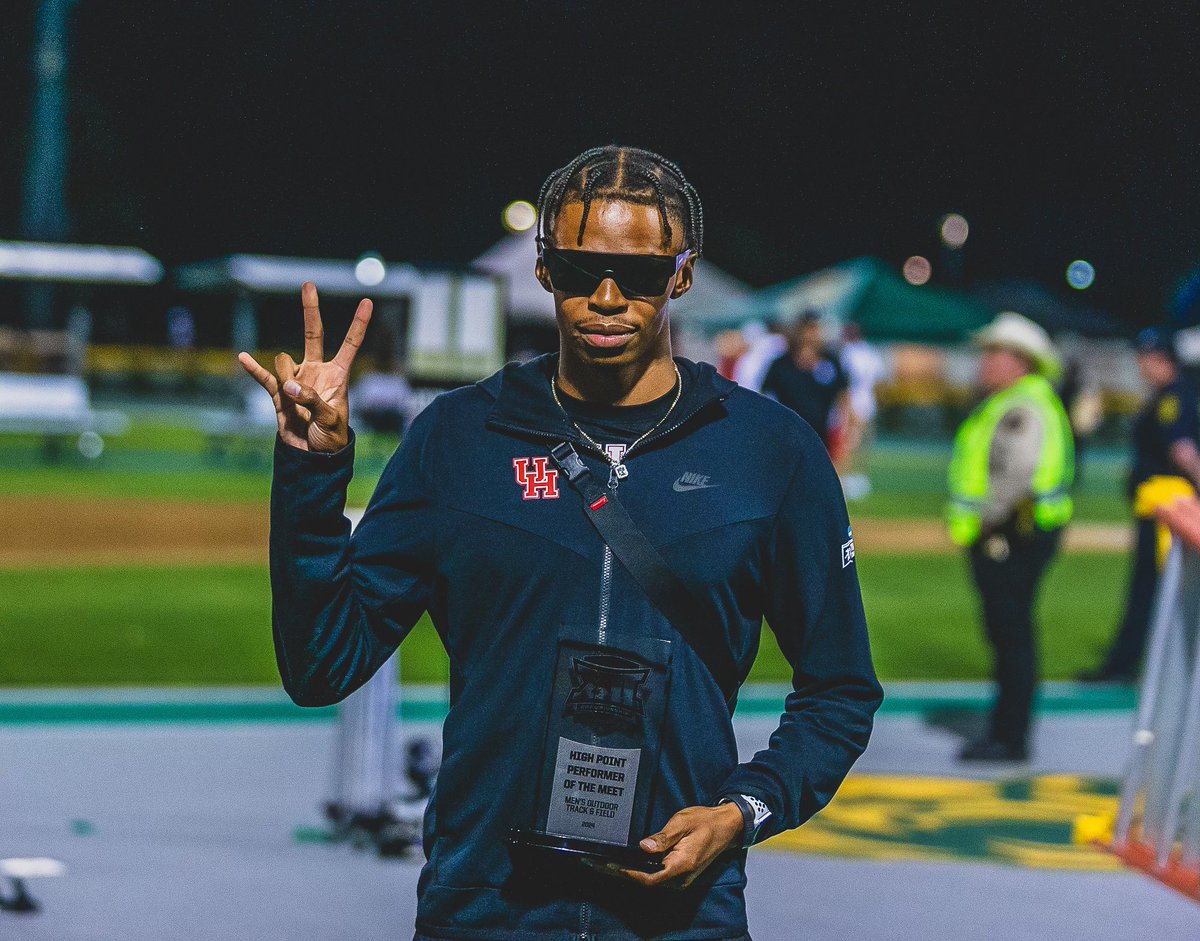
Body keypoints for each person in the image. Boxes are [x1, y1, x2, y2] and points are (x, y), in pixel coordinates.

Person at [238, 144, 881, 941]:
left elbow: (841, 691)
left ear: (681, 274)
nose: (606, 297)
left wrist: (741, 811)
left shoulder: (768, 451)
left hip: (680, 916)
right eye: (579, 269)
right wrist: (311, 473)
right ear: (543, 269)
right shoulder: (459, 438)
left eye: (639, 275)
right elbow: (321, 663)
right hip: (484, 906)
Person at [946, 311, 1074, 762]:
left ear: (1019, 360)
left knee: (1011, 636)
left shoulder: (1021, 406)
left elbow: (1015, 477)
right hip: (1017, 533)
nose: (984, 362)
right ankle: (1007, 732)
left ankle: (1009, 738)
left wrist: (984, 523)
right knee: (1009, 635)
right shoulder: (1022, 400)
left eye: (993, 352)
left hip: (1011, 537)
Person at [1080, 327, 1200, 683]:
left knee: (1152, 586)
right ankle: (1129, 660)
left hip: (1168, 509)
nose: (1140, 365)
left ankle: (1128, 664)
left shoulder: (1172, 398)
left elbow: (1184, 451)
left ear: (1162, 359)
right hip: (1162, 506)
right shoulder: (1167, 395)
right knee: (1152, 586)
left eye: (1145, 357)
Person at [760, 311, 850, 454]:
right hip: (787, 435)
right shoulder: (781, 364)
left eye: (815, 329)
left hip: (821, 436)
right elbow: (764, 395)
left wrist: (845, 429)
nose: (810, 335)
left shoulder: (831, 362)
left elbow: (843, 396)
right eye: (806, 329)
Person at [839, 321, 886, 500]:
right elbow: (879, 381)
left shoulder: (847, 353)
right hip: (868, 402)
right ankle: (859, 479)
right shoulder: (871, 352)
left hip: (851, 402)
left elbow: (844, 383)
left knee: (848, 443)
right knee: (863, 444)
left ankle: (848, 480)